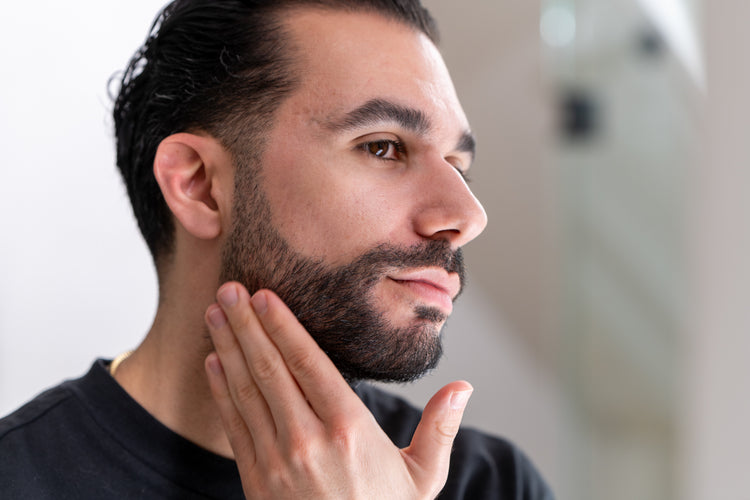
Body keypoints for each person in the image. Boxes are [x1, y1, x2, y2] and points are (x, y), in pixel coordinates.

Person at [0, 1, 554, 498]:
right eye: (383, 147)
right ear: (199, 185)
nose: (467, 217)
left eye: (457, 166)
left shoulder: (494, 486)